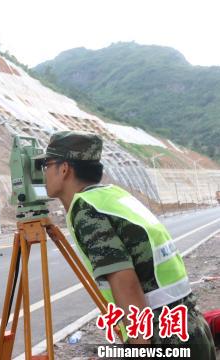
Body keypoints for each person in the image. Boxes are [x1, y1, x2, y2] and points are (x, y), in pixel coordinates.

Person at [37, 130, 215, 358]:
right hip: (189, 325)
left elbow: (125, 281)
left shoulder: (87, 210)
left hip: (163, 336)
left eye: (46, 165)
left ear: (64, 169)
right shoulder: (113, 196)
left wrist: (141, 348)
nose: (43, 173)